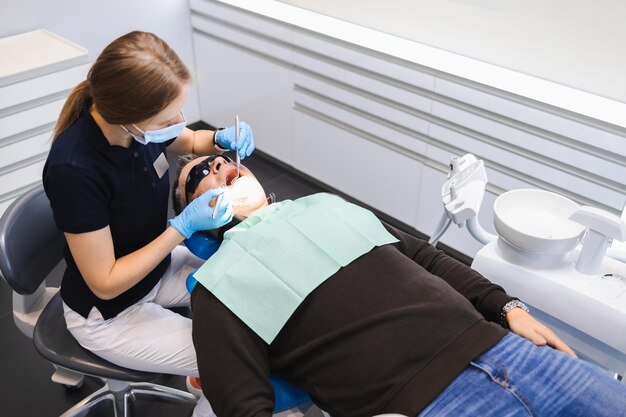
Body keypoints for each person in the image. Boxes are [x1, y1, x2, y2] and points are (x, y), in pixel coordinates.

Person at [173, 154, 626, 417]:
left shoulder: (328, 207)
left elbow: (428, 258)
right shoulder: (218, 285)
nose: (216, 164)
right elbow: (241, 408)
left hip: (511, 351)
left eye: (221, 159)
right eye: (198, 177)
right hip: (425, 403)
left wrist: (509, 308)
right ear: (196, 220)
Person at [42, 31, 255, 417]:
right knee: (233, 359)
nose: (177, 122)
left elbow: (188, 139)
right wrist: (183, 226)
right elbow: (105, 283)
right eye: (167, 117)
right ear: (130, 119)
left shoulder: (136, 129)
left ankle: (199, 376)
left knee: (246, 292)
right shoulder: (75, 170)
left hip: (154, 269)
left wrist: (220, 138)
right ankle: (209, 379)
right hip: (109, 313)